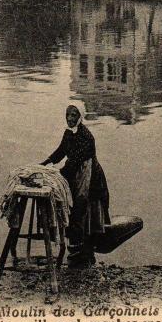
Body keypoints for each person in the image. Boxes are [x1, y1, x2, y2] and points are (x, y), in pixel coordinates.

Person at [41, 105, 110, 268]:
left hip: (88, 176)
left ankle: (84, 250)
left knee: (83, 207)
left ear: (80, 117)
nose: (69, 118)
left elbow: (76, 161)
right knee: (74, 208)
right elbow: (61, 152)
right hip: (74, 174)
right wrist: (45, 163)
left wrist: (58, 173)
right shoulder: (68, 133)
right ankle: (76, 247)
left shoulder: (87, 137)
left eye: (73, 115)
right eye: (67, 114)